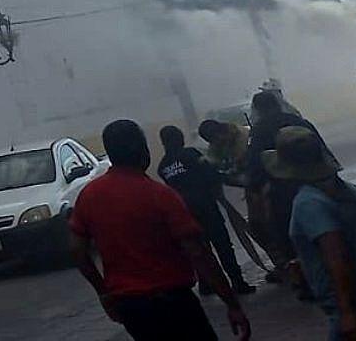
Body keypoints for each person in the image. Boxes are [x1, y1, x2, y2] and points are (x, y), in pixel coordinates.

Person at [70, 119, 250, 340]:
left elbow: (78, 251)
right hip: (173, 300)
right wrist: (231, 303)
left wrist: (104, 293)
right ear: (141, 148)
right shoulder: (159, 195)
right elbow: (198, 253)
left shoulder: (89, 196)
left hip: (130, 306)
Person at [273, 125, 356, 339]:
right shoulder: (352, 193)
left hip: (354, 308)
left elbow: (336, 257)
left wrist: (346, 312)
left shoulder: (308, 202)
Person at [247, 90, 333, 287]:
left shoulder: (259, 130)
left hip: (282, 191)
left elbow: (255, 164)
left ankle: (305, 282)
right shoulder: (299, 121)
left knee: (289, 238)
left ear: (258, 109)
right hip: (317, 183)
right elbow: (323, 151)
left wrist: (254, 187)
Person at [160, 125, 255, 295]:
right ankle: (237, 282)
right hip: (206, 207)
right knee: (223, 246)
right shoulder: (190, 154)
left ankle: (206, 284)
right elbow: (210, 173)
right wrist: (236, 180)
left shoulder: (163, 166)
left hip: (185, 212)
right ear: (179, 138)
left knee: (200, 250)